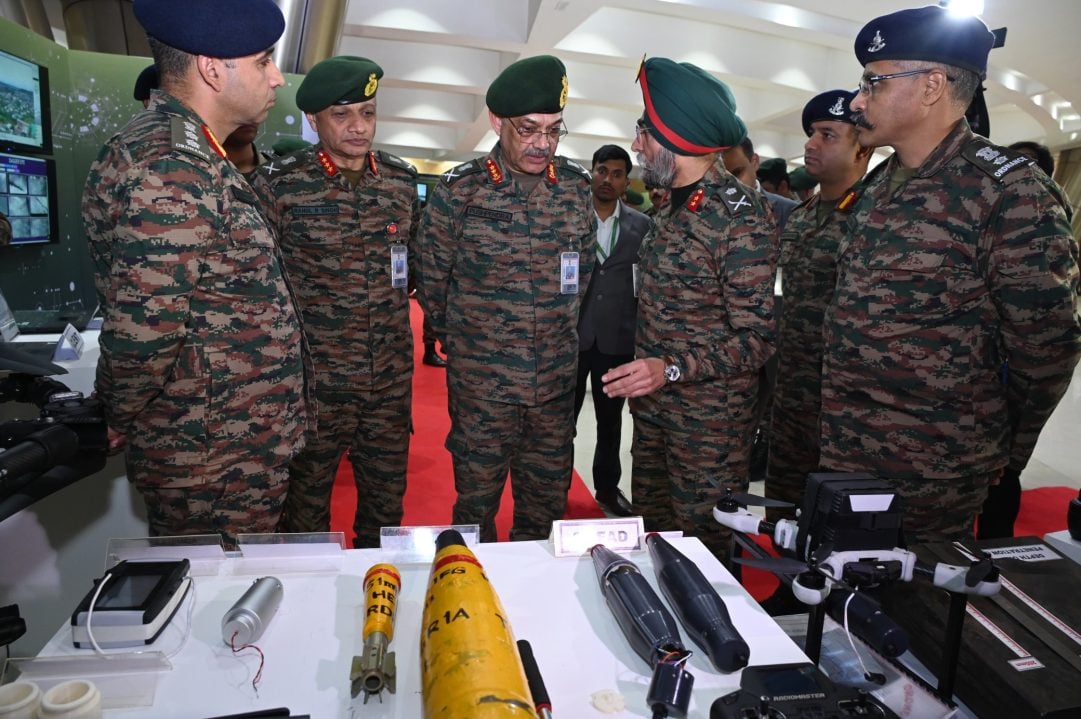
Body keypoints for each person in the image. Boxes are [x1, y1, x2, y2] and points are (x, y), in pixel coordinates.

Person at [820, 5, 1081, 545]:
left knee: (916, 613)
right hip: (847, 446)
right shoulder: (875, 187)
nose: (858, 100)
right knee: (848, 595)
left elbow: (1047, 347)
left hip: (934, 468)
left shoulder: (1009, 194)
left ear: (932, 85)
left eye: (873, 82)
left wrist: (998, 450)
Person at [82, 0, 311, 545]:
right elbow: (145, 330)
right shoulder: (171, 164)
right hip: (210, 458)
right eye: (263, 61)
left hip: (231, 445)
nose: (277, 77)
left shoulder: (196, 156)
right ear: (213, 68)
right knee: (217, 610)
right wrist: (118, 409)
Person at [602, 58, 777, 564]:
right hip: (655, 415)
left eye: (645, 132)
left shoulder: (738, 218)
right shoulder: (668, 212)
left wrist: (671, 368)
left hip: (709, 430)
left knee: (707, 551)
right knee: (657, 541)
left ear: (678, 136)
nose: (637, 145)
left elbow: (757, 337)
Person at [417, 55, 594, 542]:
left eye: (554, 130)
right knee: (475, 506)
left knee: (546, 508)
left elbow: (585, 271)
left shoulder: (576, 189)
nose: (543, 144)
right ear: (497, 121)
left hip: (554, 386)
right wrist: (470, 344)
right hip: (483, 388)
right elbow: (433, 280)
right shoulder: (461, 190)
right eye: (529, 129)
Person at [252, 56, 417, 548]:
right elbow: (262, 285)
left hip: (388, 379)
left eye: (367, 113)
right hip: (316, 386)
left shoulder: (400, 182)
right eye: (342, 115)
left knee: (386, 508)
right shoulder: (280, 186)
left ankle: (382, 592)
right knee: (305, 510)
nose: (358, 127)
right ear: (314, 120)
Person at [766, 89, 872, 520]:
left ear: (862, 149)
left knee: (834, 517)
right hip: (793, 394)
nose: (811, 144)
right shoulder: (803, 217)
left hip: (846, 407)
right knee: (783, 505)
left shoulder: (874, 218)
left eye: (828, 134)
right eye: (812, 133)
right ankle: (783, 585)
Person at [575, 144, 651, 517]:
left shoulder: (642, 226)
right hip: (571, 337)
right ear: (592, 172)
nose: (608, 179)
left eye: (617, 173)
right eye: (602, 170)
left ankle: (607, 489)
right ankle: (554, 488)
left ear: (626, 181)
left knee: (610, 422)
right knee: (560, 422)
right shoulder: (570, 218)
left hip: (617, 340)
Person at [722, 136, 798, 230]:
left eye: (737, 173)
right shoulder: (709, 211)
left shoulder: (789, 211)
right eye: (722, 178)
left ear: (754, 162)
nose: (730, 183)